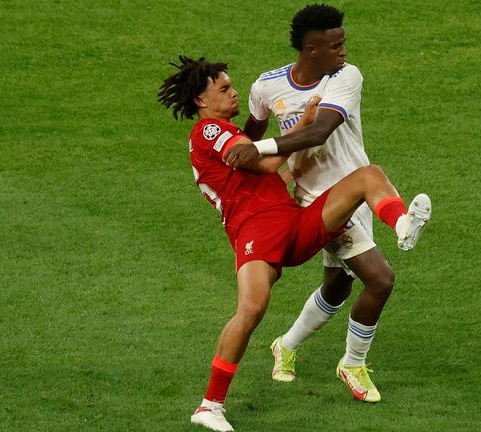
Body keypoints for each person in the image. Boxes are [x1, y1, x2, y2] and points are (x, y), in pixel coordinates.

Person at [157, 55, 431, 432]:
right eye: (224, 89)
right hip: (256, 233)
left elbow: (271, 178)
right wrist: (303, 126)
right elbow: (266, 165)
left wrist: (297, 154)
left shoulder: (228, 134)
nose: (235, 93)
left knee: (367, 176)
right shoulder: (207, 132)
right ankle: (209, 406)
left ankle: (402, 225)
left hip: (291, 219)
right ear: (202, 102)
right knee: (252, 309)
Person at [239, 3, 403, 404]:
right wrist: (244, 164)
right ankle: (353, 363)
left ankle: (286, 345)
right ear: (312, 49)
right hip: (318, 201)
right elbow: (248, 137)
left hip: (357, 191)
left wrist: (260, 147)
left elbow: (320, 131)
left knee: (337, 285)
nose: (344, 51)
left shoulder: (345, 77)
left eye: (343, 42)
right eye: (336, 45)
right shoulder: (266, 87)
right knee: (380, 280)